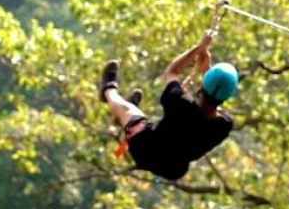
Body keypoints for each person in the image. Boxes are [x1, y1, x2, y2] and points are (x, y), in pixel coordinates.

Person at [99, 32, 237, 181]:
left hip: (147, 151)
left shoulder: (179, 103)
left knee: (127, 111)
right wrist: (206, 68)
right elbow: (209, 103)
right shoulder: (224, 125)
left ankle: (108, 89)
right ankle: (127, 114)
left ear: (204, 84)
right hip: (172, 169)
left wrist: (200, 47)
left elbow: (172, 72)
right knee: (141, 120)